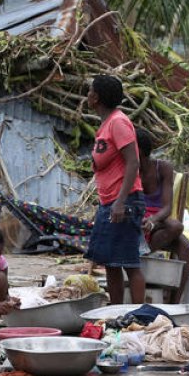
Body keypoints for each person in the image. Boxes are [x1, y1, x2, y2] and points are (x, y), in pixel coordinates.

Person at [84, 74, 146, 305]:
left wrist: (120, 202)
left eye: (90, 91)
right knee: (110, 261)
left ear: (96, 97)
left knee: (129, 262)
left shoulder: (118, 122)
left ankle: (140, 312)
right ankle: (116, 310)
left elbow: (133, 162)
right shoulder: (107, 123)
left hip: (124, 201)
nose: (87, 94)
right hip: (110, 201)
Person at [136, 129, 189, 302]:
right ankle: (143, 252)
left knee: (185, 244)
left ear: (138, 151)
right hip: (136, 220)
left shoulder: (163, 168)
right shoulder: (129, 170)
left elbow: (167, 207)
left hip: (158, 219)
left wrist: (153, 221)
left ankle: (175, 302)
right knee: (181, 239)